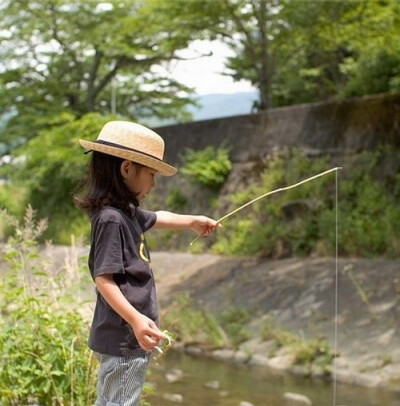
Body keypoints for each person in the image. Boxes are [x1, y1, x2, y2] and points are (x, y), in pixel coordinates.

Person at [74, 120, 219, 406]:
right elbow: (104, 279)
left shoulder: (125, 212)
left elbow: (158, 217)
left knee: (111, 401)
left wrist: (192, 221)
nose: (153, 183)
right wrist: (136, 319)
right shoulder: (111, 219)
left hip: (126, 335)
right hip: (125, 338)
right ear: (127, 168)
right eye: (151, 174)